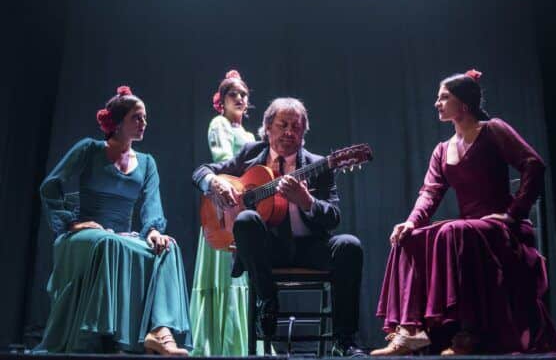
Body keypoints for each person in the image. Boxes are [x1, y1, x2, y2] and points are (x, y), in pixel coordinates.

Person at [371, 70, 556, 355]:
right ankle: (410, 330)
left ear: (464, 104)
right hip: (469, 229)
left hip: (502, 228)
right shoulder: (442, 149)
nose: (437, 103)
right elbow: (429, 193)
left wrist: (513, 214)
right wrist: (411, 221)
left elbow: (533, 165)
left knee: (453, 230)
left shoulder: (493, 130)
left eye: (443, 98)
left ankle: (468, 334)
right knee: (408, 237)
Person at [192, 98, 365, 356]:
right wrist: (213, 182)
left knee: (349, 245)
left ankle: (344, 340)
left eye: (296, 127)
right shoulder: (250, 155)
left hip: (309, 248)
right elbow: (201, 171)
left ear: (303, 133)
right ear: (267, 127)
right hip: (266, 252)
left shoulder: (319, 166)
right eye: (283, 125)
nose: (289, 132)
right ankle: (267, 301)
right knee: (245, 220)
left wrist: (308, 203)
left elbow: (333, 217)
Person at [37, 86, 191, 355]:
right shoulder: (89, 150)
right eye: (137, 117)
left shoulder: (146, 162)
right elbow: (50, 185)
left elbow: (152, 203)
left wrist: (154, 230)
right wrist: (71, 223)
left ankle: (159, 330)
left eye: (145, 118)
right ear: (117, 123)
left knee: (169, 247)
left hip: (122, 236)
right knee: (109, 242)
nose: (144, 123)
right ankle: (105, 337)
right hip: (86, 236)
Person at [189, 70, 256, 356]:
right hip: (223, 201)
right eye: (234, 94)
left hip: (243, 203)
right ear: (222, 101)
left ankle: (240, 345)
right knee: (222, 273)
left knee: (240, 275)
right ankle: (212, 345)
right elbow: (223, 161)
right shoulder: (219, 124)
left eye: (243, 95)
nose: (240, 98)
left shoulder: (251, 134)